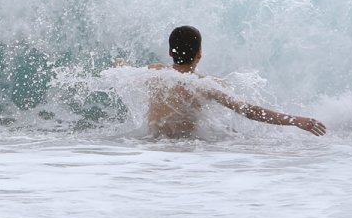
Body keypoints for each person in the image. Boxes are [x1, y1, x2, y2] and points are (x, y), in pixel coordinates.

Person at [115, 25, 326, 139]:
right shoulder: (206, 86)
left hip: (152, 147)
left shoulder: (156, 73)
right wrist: (296, 120)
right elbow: (249, 111)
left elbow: (126, 73)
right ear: (199, 54)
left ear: (170, 52)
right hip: (187, 149)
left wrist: (121, 63)